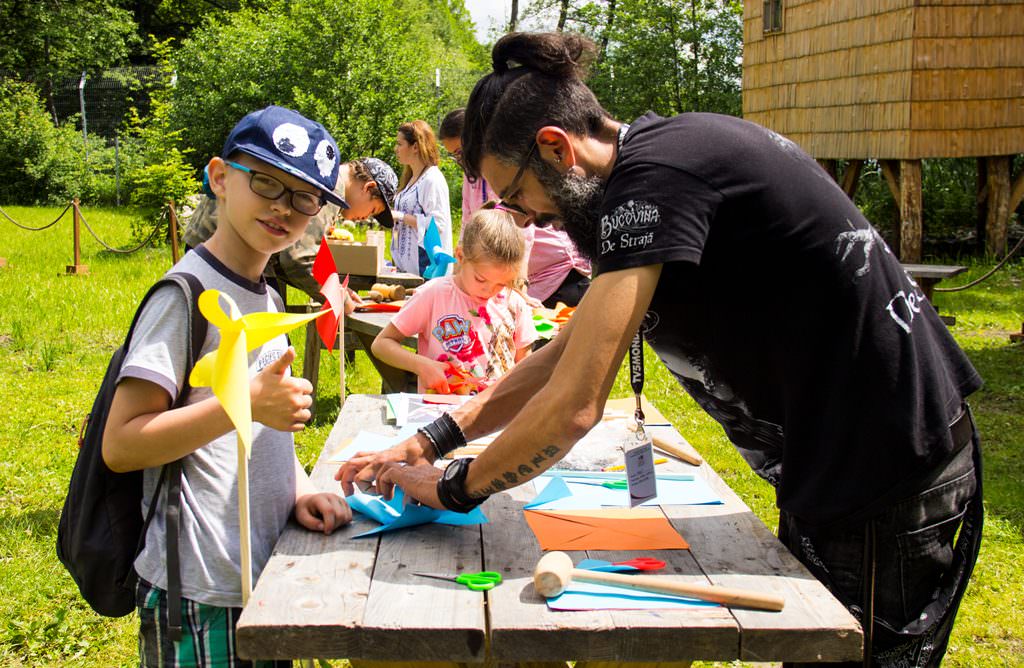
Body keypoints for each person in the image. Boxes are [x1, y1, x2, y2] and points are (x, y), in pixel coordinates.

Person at [338, 33, 984, 668]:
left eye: (517, 197)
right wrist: (436, 438)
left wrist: (453, 487)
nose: (527, 220)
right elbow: (567, 352)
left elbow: (573, 406)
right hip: (850, 458)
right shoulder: (660, 163)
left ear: (555, 147)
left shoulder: (654, 184)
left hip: (884, 467)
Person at [103, 105, 354, 667]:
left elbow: (259, 436)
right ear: (219, 177)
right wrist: (243, 403)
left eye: (304, 197)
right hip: (199, 586)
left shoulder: (265, 296)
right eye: (266, 180)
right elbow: (122, 444)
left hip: (260, 576)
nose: (283, 207)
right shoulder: (184, 296)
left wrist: (302, 489)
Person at [371, 207, 537, 394]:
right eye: (481, 279)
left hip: (496, 414)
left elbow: (525, 365)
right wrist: (422, 365)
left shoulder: (514, 303)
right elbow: (381, 344)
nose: (489, 290)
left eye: (501, 284)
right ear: (460, 256)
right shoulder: (433, 294)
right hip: (442, 413)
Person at [183, 156, 398, 300]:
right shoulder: (330, 188)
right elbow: (298, 258)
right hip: (226, 257)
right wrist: (337, 295)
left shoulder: (326, 175)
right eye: (372, 210)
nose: (363, 218)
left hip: (223, 249)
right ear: (368, 187)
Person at [440, 108, 591, 308]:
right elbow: (468, 230)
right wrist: (455, 285)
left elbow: (520, 232)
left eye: (460, 153)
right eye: (454, 156)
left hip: (559, 274)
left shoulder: (505, 166)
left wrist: (519, 287)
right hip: (522, 278)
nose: (460, 161)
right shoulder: (472, 178)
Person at [388, 119, 453, 276]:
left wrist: (401, 217)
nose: (396, 149)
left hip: (426, 271)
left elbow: (437, 225)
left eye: (400, 144)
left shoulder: (432, 179)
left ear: (415, 147)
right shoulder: (410, 180)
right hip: (405, 269)